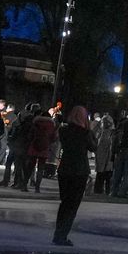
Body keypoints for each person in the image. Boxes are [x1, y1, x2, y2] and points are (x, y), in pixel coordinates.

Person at [52, 105, 93, 246]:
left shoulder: (64, 130)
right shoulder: (85, 133)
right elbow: (94, 147)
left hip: (65, 169)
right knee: (73, 205)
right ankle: (62, 235)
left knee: (65, 202)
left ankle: (58, 233)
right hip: (79, 170)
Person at [26, 106, 58, 192]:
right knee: (41, 168)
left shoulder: (35, 122)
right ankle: (37, 187)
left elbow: (30, 135)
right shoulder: (52, 125)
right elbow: (54, 137)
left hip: (34, 146)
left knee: (30, 166)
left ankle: (24, 185)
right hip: (45, 147)